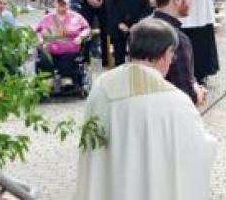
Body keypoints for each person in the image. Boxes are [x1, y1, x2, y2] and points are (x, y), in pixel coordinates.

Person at [75, 18, 217, 200]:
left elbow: (91, 149)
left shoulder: (102, 87)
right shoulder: (176, 101)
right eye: (172, 55)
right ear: (166, 53)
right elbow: (196, 151)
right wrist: (211, 143)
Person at [152, 0, 206, 106]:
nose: (191, 1)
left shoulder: (140, 28)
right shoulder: (178, 40)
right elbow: (187, 96)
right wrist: (198, 93)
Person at [35, 0, 91, 84]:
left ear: (68, 4)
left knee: (66, 60)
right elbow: (37, 30)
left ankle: (66, 77)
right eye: (59, 2)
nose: (61, 5)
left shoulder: (77, 17)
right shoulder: (47, 18)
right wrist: (40, 39)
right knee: (44, 57)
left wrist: (80, 37)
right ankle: (48, 78)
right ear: (55, 4)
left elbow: (86, 28)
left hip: (70, 49)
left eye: (64, 3)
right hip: (50, 48)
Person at [105, 0, 152, 65]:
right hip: (119, 26)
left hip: (136, 27)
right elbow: (110, 6)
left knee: (137, 56)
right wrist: (119, 23)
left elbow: (146, 7)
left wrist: (137, 24)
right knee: (119, 56)